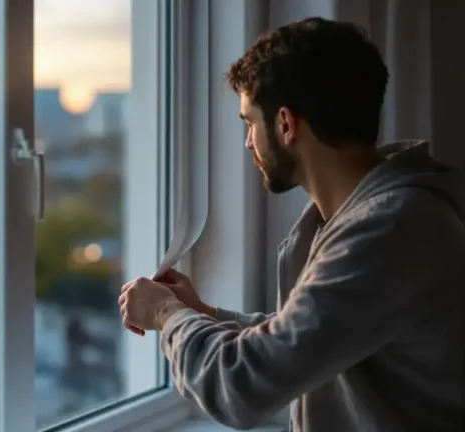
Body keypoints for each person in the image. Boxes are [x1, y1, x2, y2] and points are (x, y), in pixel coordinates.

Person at [118, 16, 464, 432]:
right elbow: (303, 342)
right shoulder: (362, 218)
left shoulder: (389, 230)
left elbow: (243, 386)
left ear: (285, 124)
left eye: (250, 122)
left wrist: (165, 312)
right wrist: (203, 313)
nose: (248, 142)